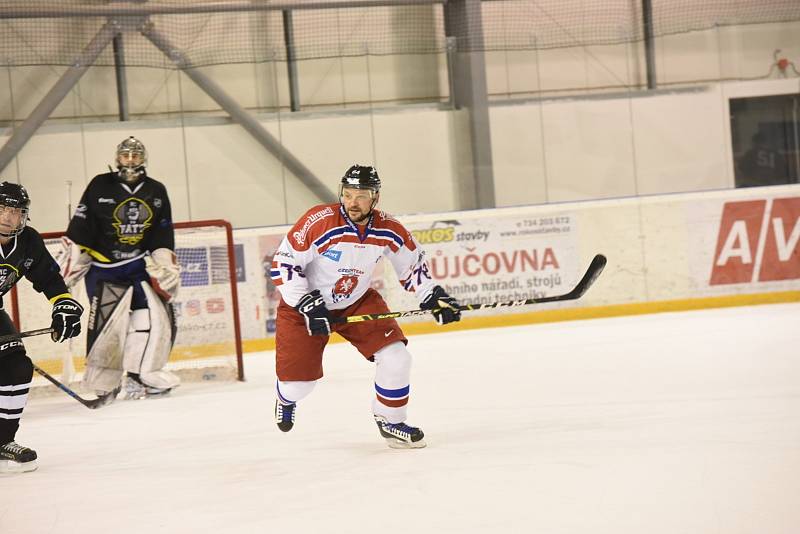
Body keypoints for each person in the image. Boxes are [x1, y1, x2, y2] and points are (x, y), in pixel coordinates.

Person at [270, 164, 462, 449]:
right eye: (347, 194)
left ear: (375, 197)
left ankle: (391, 421)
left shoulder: (388, 228)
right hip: (305, 308)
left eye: (360, 196)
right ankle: (285, 398)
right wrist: (306, 302)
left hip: (356, 302)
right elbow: (284, 264)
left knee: (397, 357)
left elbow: (411, 267)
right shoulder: (318, 221)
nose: (352, 202)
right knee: (299, 386)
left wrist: (432, 295)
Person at [56, 136, 181, 403]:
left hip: (136, 268)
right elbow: (82, 226)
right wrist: (71, 263)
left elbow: (162, 232)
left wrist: (164, 261)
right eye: (126, 156)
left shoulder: (156, 190)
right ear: (118, 158)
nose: (131, 160)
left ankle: (138, 378)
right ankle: (104, 385)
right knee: (108, 328)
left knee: (147, 320)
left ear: (143, 158)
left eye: (135, 156)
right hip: (104, 269)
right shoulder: (100, 184)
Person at [0, 182, 83, 473]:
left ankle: (2, 441)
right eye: (3, 210)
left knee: (17, 367)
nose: (10, 217)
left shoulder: (28, 242)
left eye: (16, 211)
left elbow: (49, 279)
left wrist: (64, 304)